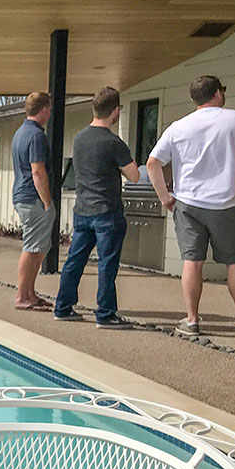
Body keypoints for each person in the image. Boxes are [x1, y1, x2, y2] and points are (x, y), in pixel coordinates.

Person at [146, 75, 235, 337]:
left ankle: (192, 320)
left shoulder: (178, 127)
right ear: (217, 94)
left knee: (192, 261)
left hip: (189, 204)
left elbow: (152, 163)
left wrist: (165, 198)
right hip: (227, 203)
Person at [53, 87, 140, 328]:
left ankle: (63, 307)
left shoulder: (80, 138)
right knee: (107, 264)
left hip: (82, 210)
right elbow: (133, 175)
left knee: (74, 261)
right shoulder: (113, 142)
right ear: (115, 111)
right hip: (107, 211)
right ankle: (105, 314)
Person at [11, 91, 55, 310]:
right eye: (50, 108)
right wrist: (46, 201)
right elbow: (38, 171)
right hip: (33, 198)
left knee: (38, 247)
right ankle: (22, 296)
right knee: (32, 247)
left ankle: (29, 293)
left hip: (23, 195)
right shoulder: (36, 135)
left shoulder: (20, 133)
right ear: (44, 109)